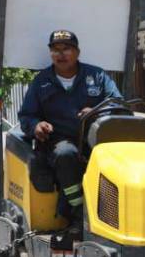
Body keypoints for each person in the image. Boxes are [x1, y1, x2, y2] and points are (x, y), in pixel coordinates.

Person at [18, 30, 122, 227]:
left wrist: (97, 111)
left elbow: (118, 103)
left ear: (77, 52)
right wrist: (36, 126)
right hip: (58, 142)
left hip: (95, 141)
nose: (61, 54)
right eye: (55, 49)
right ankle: (78, 213)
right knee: (66, 153)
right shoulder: (41, 81)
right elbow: (26, 116)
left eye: (66, 49)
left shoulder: (97, 76)